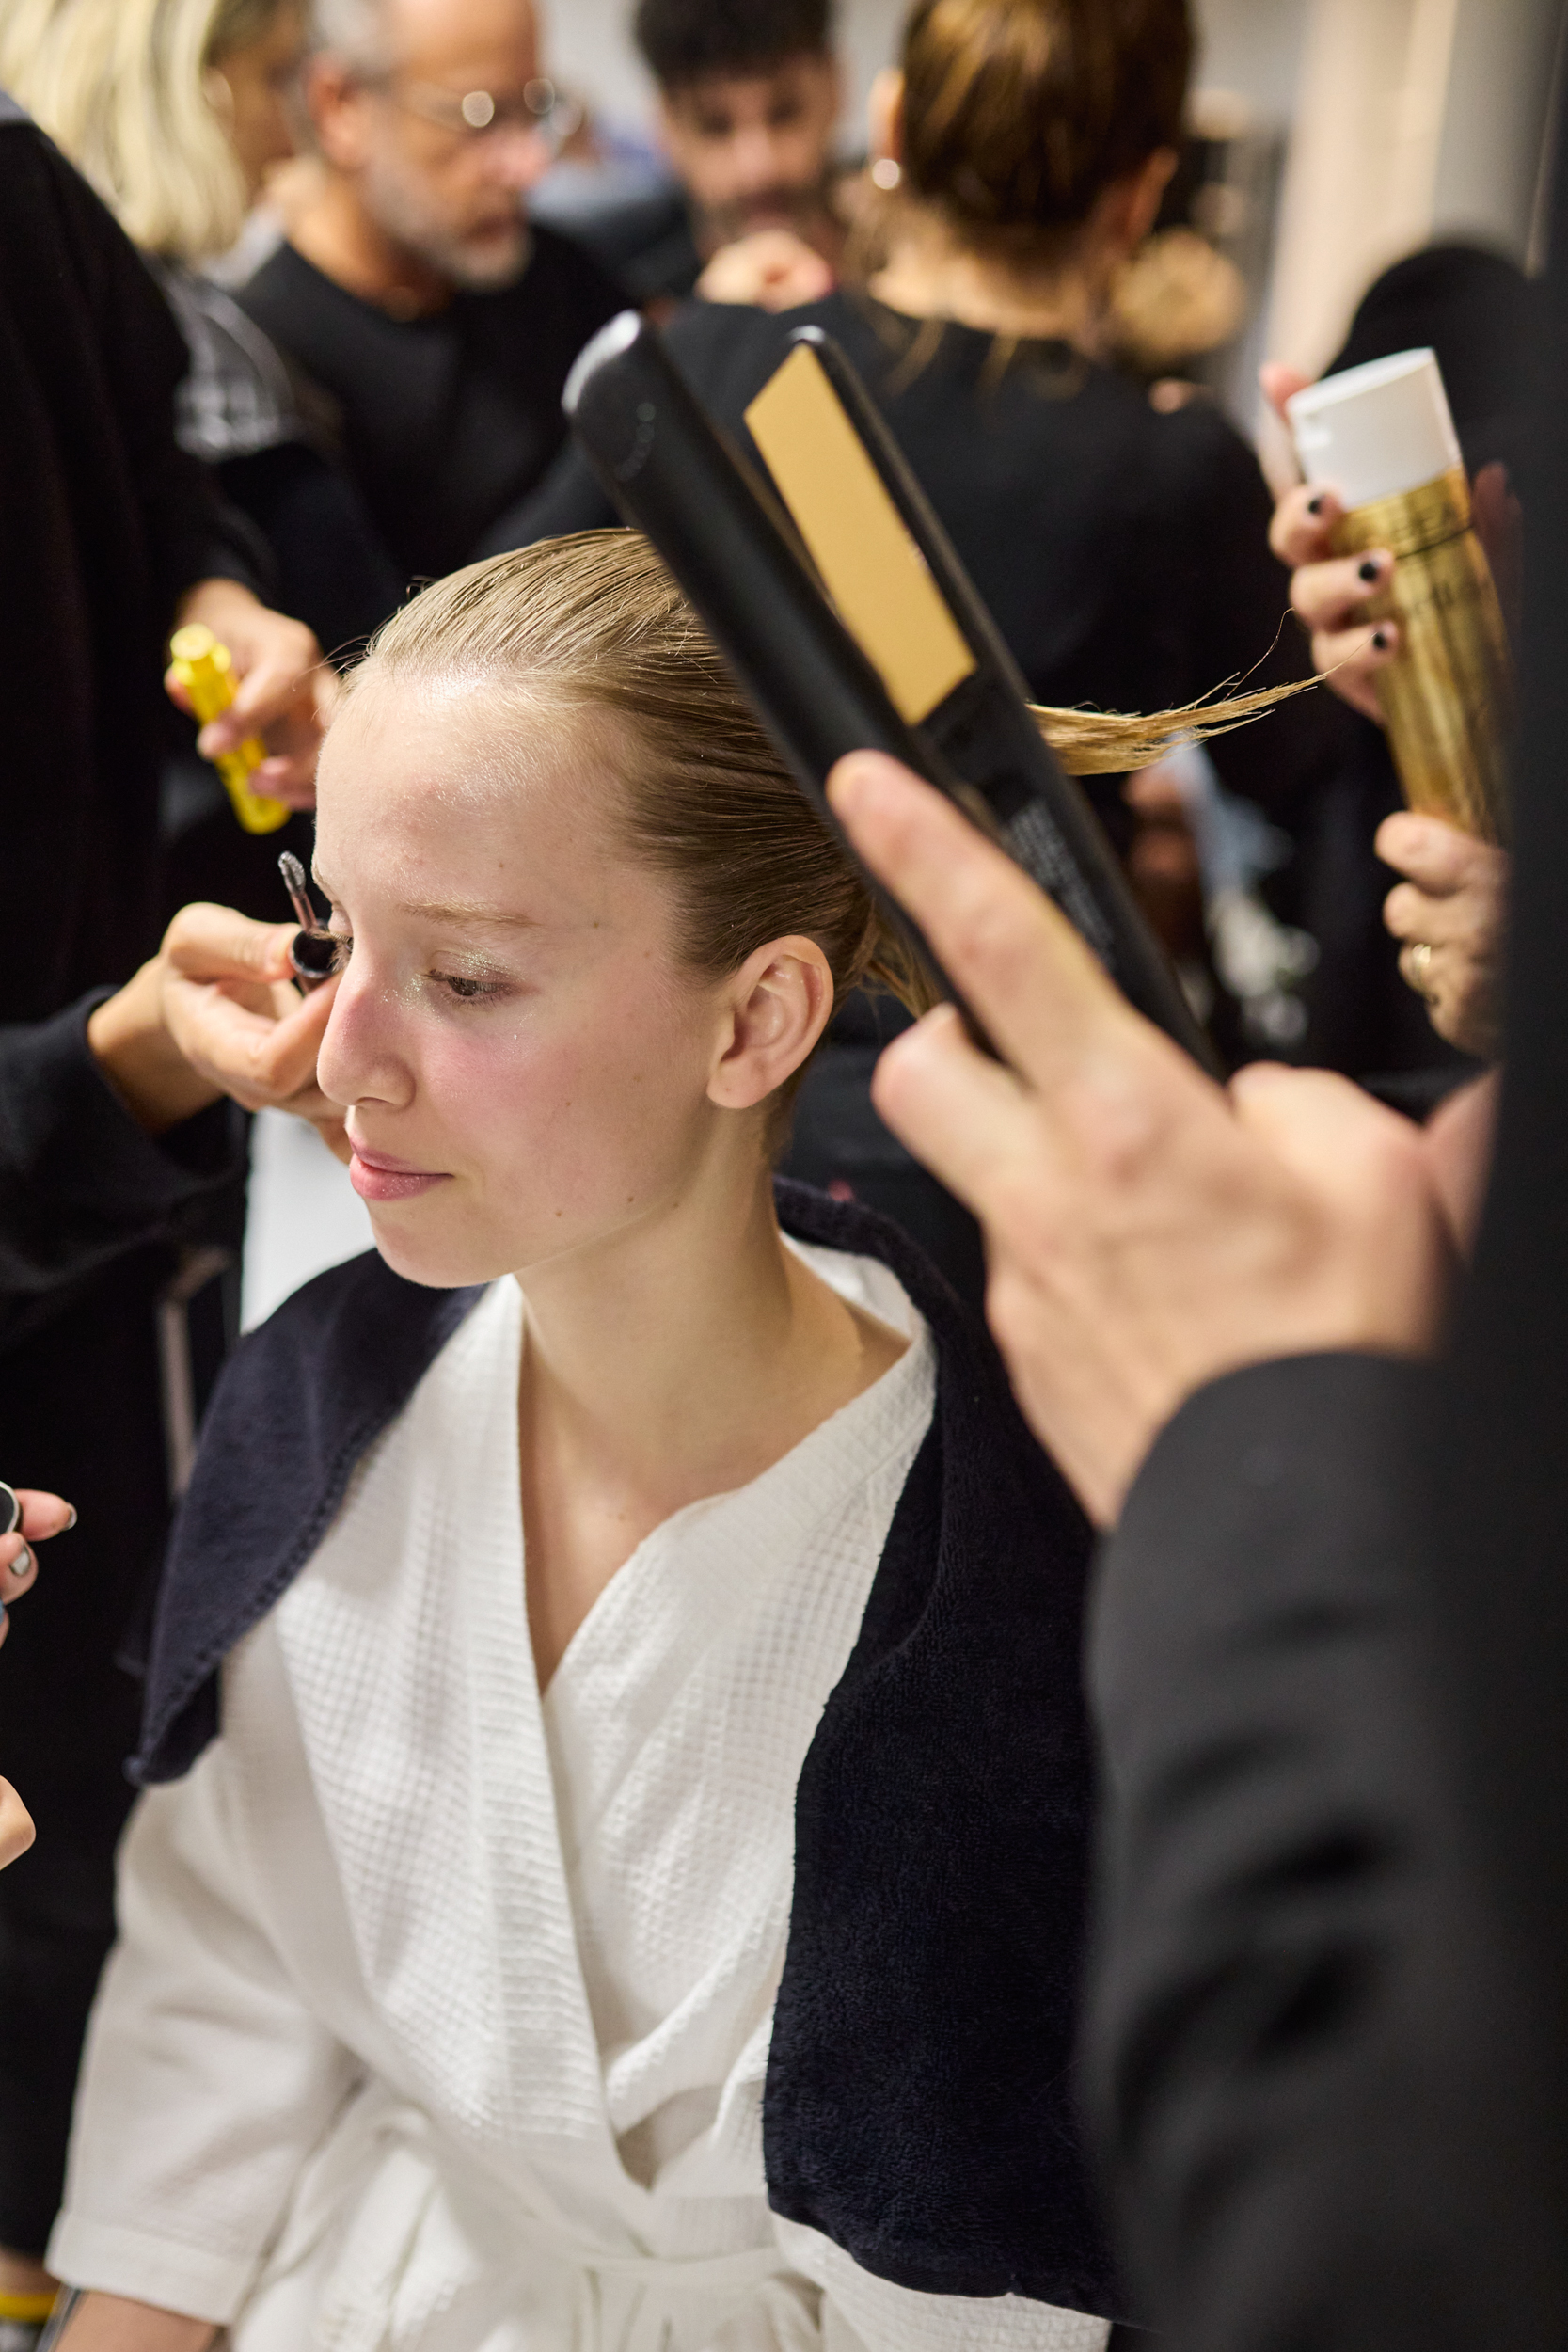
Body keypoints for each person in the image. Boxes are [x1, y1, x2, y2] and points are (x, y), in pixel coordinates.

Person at [45, 532, 1114, 2352]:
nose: (341, 1054)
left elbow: (982, 2259)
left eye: (463, 981)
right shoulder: (320, 1410)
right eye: (336, 935)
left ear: (755, 1017)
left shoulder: (996, 1585)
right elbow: (221, 2004)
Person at [510, 0, 1342, 1304]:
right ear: (1141, 191)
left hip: (697, 1090)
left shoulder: (716, 360)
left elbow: (495, 637)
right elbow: (1315, 776)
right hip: (1005, 1122)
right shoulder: (1168, 469)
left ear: (887, 130)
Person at [0, 88, 330, 2322]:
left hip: (88, 1245)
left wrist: (227, 615)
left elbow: (165, 482)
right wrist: (99, 1074)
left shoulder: (20, 199)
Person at [0, 0, 403, 669]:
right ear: (181, 89)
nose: (290, 137)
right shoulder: (195, 348)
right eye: (275, 77)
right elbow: (364, 641)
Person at [231, 0, 626, 589]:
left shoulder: (546, 268)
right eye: (482, 117)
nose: (529, 164)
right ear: (340, 107)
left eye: (535, 109)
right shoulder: (268, 364)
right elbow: (389, 655)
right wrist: (625, 428)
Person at [582, 0, 847, 311]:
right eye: (715, 127)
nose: (759, 168)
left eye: (784, 114)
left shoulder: (908, 266)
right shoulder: (625, 306)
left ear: (835, 88)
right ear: (667, 127)